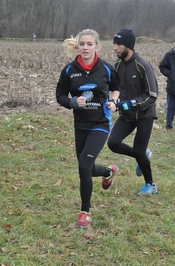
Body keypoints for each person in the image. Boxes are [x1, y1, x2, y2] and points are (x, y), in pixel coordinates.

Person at [56, 29, 120, 228]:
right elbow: (60, 96)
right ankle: (108, 171)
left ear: (97, 47)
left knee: (83, 166)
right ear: (79, 46)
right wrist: (73, 102)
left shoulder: (106, 69)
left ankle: (85, 211)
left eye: (89, 44)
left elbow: (116, 87)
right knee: (88, 167)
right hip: (80, 124)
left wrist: (113, 101)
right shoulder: (69, 70)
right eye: (82, 44)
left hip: (100, 123)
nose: (85, 47)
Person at [107, 28, 159, 196]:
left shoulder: (142, 65)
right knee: (113, 143)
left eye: (118, 44)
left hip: (145, 115)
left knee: (138, 150)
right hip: (127, 116)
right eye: (114, 44)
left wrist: (129, 104)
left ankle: (151, 184)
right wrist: (114, 101)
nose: (115, 48)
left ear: (128, 46)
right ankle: (142, 155)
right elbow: (116, 89)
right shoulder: (118, 65)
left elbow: (152, 95)